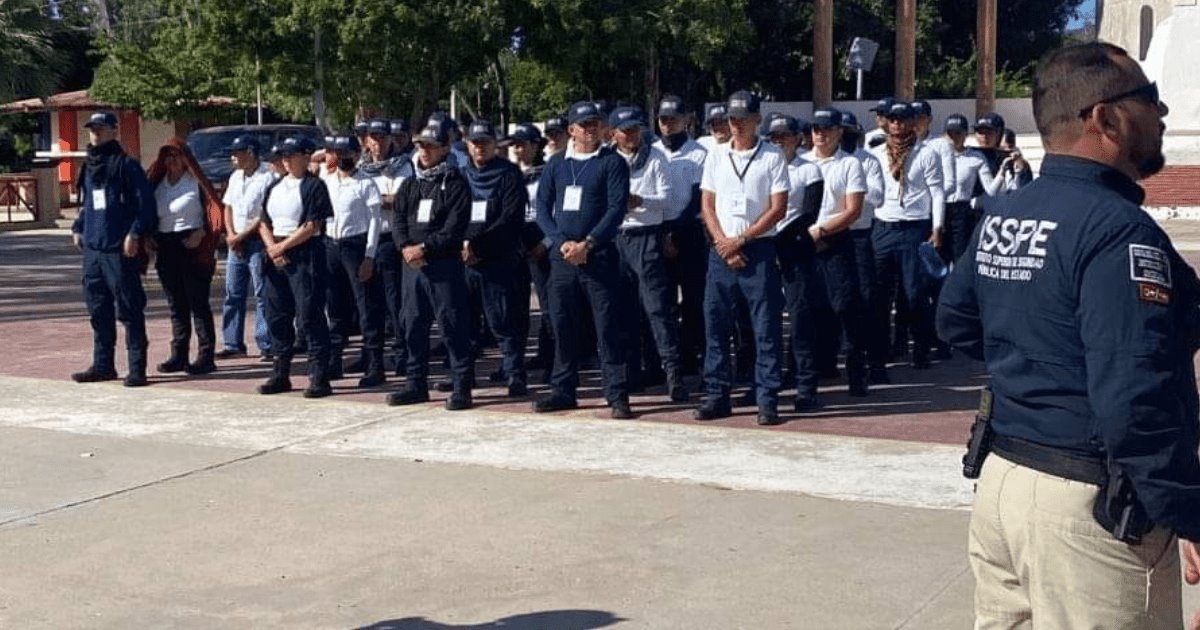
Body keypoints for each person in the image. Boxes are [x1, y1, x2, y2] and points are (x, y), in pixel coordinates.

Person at [938, 42, 1200, 628]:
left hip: (1005, 483)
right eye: (1149, 100)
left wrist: (1038, 358)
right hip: (1087, 512)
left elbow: (954, 320)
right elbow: (1137, 399)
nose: (1161, 115)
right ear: (1103, 117)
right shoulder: (1118, 233)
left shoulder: (1005, 214)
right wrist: (1187, 510)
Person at [533, 100, 633, 419]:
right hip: (562, 258)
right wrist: (563, 243)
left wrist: (587, 243)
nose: (591, 130)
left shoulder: (612, 162)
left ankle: (616, 393)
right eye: (585, 125)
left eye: (596, 124)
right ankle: (563, 390)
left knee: (608, 326)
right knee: (562, 324)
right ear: (572, 130)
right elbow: (543, 209)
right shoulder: (557, 164)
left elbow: (616, 208)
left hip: (599, 255)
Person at [694, 90, 788, 425]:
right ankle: (717, 394)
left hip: (758, 249)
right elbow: (707, 203)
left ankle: (767, 398)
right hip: (720, 251)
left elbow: (778, 208)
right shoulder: (717, 155)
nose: (736, 125)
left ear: (757, 119)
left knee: (765, 327)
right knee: (716, 325)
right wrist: (723, 242)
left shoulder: (772, 156)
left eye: (743, 119)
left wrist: (742, 239)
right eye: (731, 120)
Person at [386, 118, 475, 411]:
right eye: (421, 146)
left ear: (445, 148)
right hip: (412, 268)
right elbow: (398, 219)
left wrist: (424, 247)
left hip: (443, 267)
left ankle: (462, 385)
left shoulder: (456, 183)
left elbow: (454, 228)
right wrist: (405, 247)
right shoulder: (411, 184)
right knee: (412, 325)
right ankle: (416, 384)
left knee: (452, 325)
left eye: (431, 146)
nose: (425, 151)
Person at [69, 111, 156, 387]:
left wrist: (134, 233)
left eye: (101, 128)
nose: (95, 133)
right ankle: (103, 364)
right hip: (93, 251)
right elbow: (88, 205)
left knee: (129, 309)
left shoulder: (126, 166)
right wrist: (78, 227)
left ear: (114, 131)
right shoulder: (89, 165)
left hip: (119, 250)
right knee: (98, 309)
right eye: (92, 128)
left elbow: (146, 208)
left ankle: (136, 367)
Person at [610, 105, 687, 402]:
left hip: (646, 237)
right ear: (614, 134)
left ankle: (673, 374)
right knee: (623, 310)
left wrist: (639, 200)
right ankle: (632, 373)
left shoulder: (656, 157)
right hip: (616, 238)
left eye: (635, 130)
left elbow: (667, 199)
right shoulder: (608, 159)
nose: (631, 136)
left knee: (657, 308)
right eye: (625, 131)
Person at [867, 101, 944, 381]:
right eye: (892, 120)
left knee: (914, 294)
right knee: (879, 294)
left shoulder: (926, 154)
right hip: (883, 226)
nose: (897, 125)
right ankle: (881, 350)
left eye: (903, 120)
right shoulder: (874, 153)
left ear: (913, 123)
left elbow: (937, 192)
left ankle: (920, 348)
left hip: (913, 227)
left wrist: (937, 228)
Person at [256, 135, 334, 399]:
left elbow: (312, 226)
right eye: (283, 157)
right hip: (276, 253)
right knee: (277, 315)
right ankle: (281, 373)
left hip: (304, 254)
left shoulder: (314, 186)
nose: (286, 161)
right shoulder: (275, 186)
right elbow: (263, 220)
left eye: (291, 156)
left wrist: (284, 247)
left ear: (305, 156)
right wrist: (272, 247)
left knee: (309, 315)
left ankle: (319, 376)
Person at [802, 108, 870, 400]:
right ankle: (815, 371)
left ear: (839, 131)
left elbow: (852, 209)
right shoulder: (800, 163)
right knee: (808, 308)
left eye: (828, 129)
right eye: (816, 129)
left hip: (836, 241)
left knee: (845, 307)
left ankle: (857, 370)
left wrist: (822, 231)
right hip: (803, 242)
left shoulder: (849, 164)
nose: (821, 134)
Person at [461, 119, 528, 397]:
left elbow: (510, 219)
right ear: (468, 145)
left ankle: (514, 374)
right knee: (463, 322)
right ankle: (463, 377)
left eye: (485, 142)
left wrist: (478, 246)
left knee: (503, 321)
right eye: (475, 143)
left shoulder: (509, 174)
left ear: (495, 145)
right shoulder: (460, 175)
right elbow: (451, 212)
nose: (480, 148)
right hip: (463, 258)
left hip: (497, 259)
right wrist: (461, 244)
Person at [145, 139, 223, 376]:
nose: (172, 161)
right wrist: (148, 236)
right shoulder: (159, 185)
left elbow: (215, 211)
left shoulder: (195, 183)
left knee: (198, 303)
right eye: (167, 156)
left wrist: (203, 234)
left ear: (186, 158)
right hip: (167, 246)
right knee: (176, 304)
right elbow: (147, 211)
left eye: (176, 156)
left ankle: (206, 355)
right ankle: (179, 354)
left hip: (193, 245)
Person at [765, 114, 824, 410]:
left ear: (797, 139)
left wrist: (781, 240)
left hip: (795, 248)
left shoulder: (808, 170)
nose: (778, 142)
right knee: (765, 321)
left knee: (801, 319)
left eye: (784, 137)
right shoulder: (760, 168)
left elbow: (810, 213)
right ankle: (766, 382)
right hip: (763, 248)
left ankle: (805, 386)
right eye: (773, 138)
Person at [322, 134, 386, 388]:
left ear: (357, 155)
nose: (343, 159)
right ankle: (334, 361)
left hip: (356, 245)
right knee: (335, 306)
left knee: (366, 307)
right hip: (331, 245)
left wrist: (369, 256)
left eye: (348, 154)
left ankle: (374, 364)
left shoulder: (365, 183)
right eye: (339, 154)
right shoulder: (327, 180)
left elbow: (374, 221)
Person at [654, 95, 709, 376]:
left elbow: (699, 197)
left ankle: (690, 356)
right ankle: (662, 359)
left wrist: (674, 234)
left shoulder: (699, 153)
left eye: (674, 119)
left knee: (692, 300)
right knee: (659, 302)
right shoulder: (650, 151)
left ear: (686, 120)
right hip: (655, 231)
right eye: (664, 119)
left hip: (687, 232)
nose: (668, 124)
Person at [504, 122, 555, 375]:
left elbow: (554, 212)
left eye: (522, 144)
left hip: (540, 235)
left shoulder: (548, 172)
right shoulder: (509, 173)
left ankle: (548, 357)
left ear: (537, 146)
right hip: (515, 236)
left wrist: (546, 243)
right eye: (514, 144)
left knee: (547, 303)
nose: (517, 149)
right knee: (514, 303)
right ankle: (513, 361)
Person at [217, 135, 274, 361]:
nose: (233, 157)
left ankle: (266, 342)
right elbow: (227, 207)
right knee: (233, 293)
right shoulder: (235, 177)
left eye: (237, 152)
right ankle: (233, 342)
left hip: (256, 241)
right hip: (236, 242)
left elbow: (262, 215)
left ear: (250, 152)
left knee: (262, 293)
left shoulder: (267, 177)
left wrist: (241, 236)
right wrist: (231, 234)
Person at [941, 114, 1002, 264]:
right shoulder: (936, 155)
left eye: (958, 133)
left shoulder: (976, 157)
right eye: (950, 133)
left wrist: (1002, 172)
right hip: (940, 209)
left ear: (966, 134)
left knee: (960, 257)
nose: (954, 137)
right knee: (938, 258)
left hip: (961, 210)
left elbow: (991, 190)